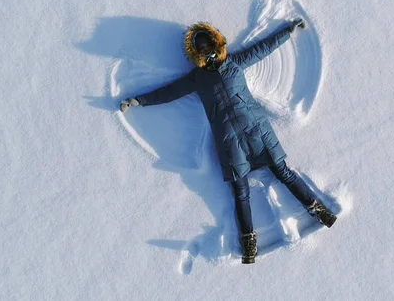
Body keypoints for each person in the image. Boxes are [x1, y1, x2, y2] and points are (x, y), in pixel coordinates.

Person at [120, 19, 336, 264]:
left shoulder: (233, 62)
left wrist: (288, 30)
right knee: (240, 192)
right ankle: (249, 243)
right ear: (195, 53)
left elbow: (264, 47)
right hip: (228, 141)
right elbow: (167, 93)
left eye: (207, 43)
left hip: (257, 129)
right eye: (199, 47)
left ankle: (318, 210)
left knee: (283, 172)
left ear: (216, 41)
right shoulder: (197, 79)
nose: (205, 49)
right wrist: (138, 101)